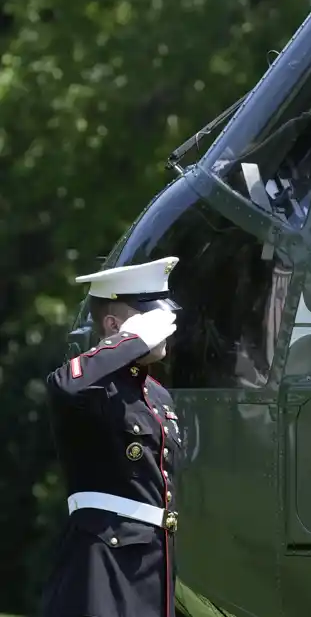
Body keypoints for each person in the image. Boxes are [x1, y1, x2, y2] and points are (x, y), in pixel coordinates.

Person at [39, 256, 184, 617]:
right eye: (149, 318)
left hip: (153, 562)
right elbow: (66, 385)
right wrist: (131, 341)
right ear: (113, 325)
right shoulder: (89, 386)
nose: (164, 328)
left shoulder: (157, 396)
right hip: (103, 563)